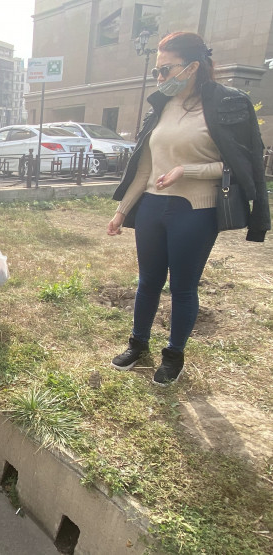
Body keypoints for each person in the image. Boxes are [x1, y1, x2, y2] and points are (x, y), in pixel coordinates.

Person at [107, 32, 270, 386]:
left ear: (193, 67)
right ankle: (138, 344)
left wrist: (187, 170)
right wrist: (122, 211)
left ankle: (174, 355)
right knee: (148, 281)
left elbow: (239, 165)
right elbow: (145, 168)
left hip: (195, 210)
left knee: (182, 287)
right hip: (152, 207)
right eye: (157, 71)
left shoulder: (226, 104)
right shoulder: (162, 106)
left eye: (166, 70)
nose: (160, 78)